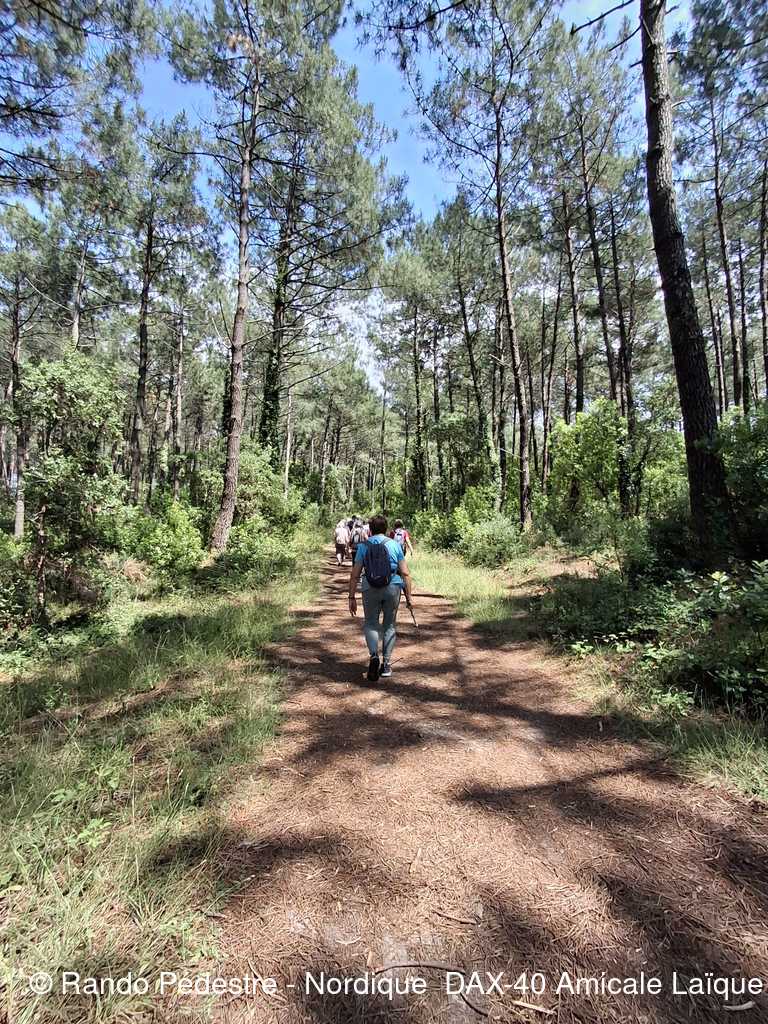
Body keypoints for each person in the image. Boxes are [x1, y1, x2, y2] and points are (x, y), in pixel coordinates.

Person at [348, 514, 413, 681]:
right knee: (389, 625)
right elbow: (405, 573)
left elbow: (355, 574)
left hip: (369, 587)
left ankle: (374, 657)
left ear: (370, 529)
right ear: (386, 529)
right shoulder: (394, 545)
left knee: (371, 623)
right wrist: (409, 597)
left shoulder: (364, 546)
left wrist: (351, 597)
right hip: (392, 586)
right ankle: (386, 665)